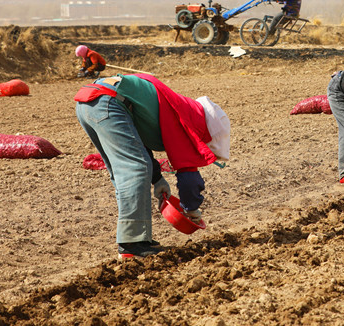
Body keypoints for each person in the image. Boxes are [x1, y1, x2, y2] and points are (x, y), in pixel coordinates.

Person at [74, 73, 230, 259]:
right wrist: (191, 209)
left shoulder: (177, 106)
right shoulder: (187, 120)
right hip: (109, 102)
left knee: (127, 168)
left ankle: (137, 239)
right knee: (135, 169)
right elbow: (189, 179)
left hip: (89, 101)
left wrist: (157, 178)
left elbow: (138, 142)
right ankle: (132, 243)